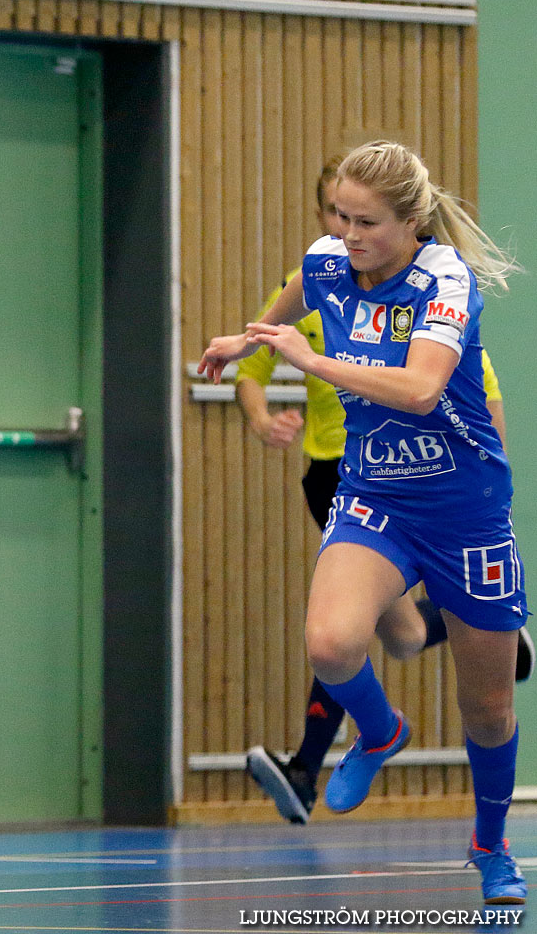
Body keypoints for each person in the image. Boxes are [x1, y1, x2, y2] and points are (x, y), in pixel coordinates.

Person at [201, 140, 526, 905]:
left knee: (487, 705)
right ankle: (380, 733)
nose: (348, 234)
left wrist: (307, 363)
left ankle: (490, 847)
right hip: (376, 494)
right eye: (340, 216)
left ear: (411, 221)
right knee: (331, 642)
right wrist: (245, 337)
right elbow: (298, 291)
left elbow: (417, 389)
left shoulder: (445, 279)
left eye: (367, 222)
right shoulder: (326, 259)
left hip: (464, 508)